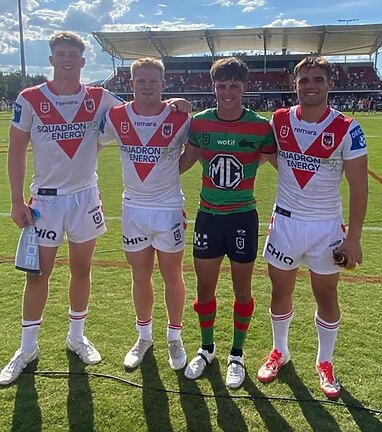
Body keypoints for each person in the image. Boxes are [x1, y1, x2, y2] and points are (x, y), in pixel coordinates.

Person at [0, 32, 128, 386]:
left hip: (85, 197)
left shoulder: (99, 98)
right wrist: (14, 201)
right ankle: (27, 348)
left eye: (74, 54)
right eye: (61, 53)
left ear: (83, 61)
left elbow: (133, 114)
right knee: (37, 274)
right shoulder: (30, 98)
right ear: (52, 59)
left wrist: (174, 104)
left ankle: (76, 336)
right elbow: (15, 150)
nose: (68, 59)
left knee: (82, 269)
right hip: (45, 200)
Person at [257, 56, 368, 398]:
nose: (310, 86)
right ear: (295, 85)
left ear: (329, 84)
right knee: (280, 292)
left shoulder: (348, 128)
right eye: (304, 80)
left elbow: (359, 186)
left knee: (326, 294)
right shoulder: (279, 120)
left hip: (326, 228)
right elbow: (264, 153)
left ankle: (324, 361)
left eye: (317, 79)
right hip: (285, 223)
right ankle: (280, 351)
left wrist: (354, 239)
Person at [179, 57, 276, 389]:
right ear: (214, 87)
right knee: (204, 289)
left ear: (245, 88)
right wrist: (141, 164)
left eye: (235, 85)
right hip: (208, 217)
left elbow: (285, 168)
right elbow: (184, 163)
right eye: (222, 85)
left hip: (242, 219)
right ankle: (207, 349)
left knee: (241, 290)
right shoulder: (200, 124)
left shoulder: (261, 127)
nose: (228, 91)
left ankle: (237, 355)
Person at [98, 57, 191, 371]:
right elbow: (87, 140)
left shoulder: (180, 118)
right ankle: (144, 336)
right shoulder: (115, 116)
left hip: (168, 210)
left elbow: (194, 152)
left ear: (163, 85)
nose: (147, 86)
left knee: (172, 276)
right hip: (133, 210)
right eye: (141, 81)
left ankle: (175, 338)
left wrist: (170, 175)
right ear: (131, 83)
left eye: (153, 81)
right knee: (140, 276)